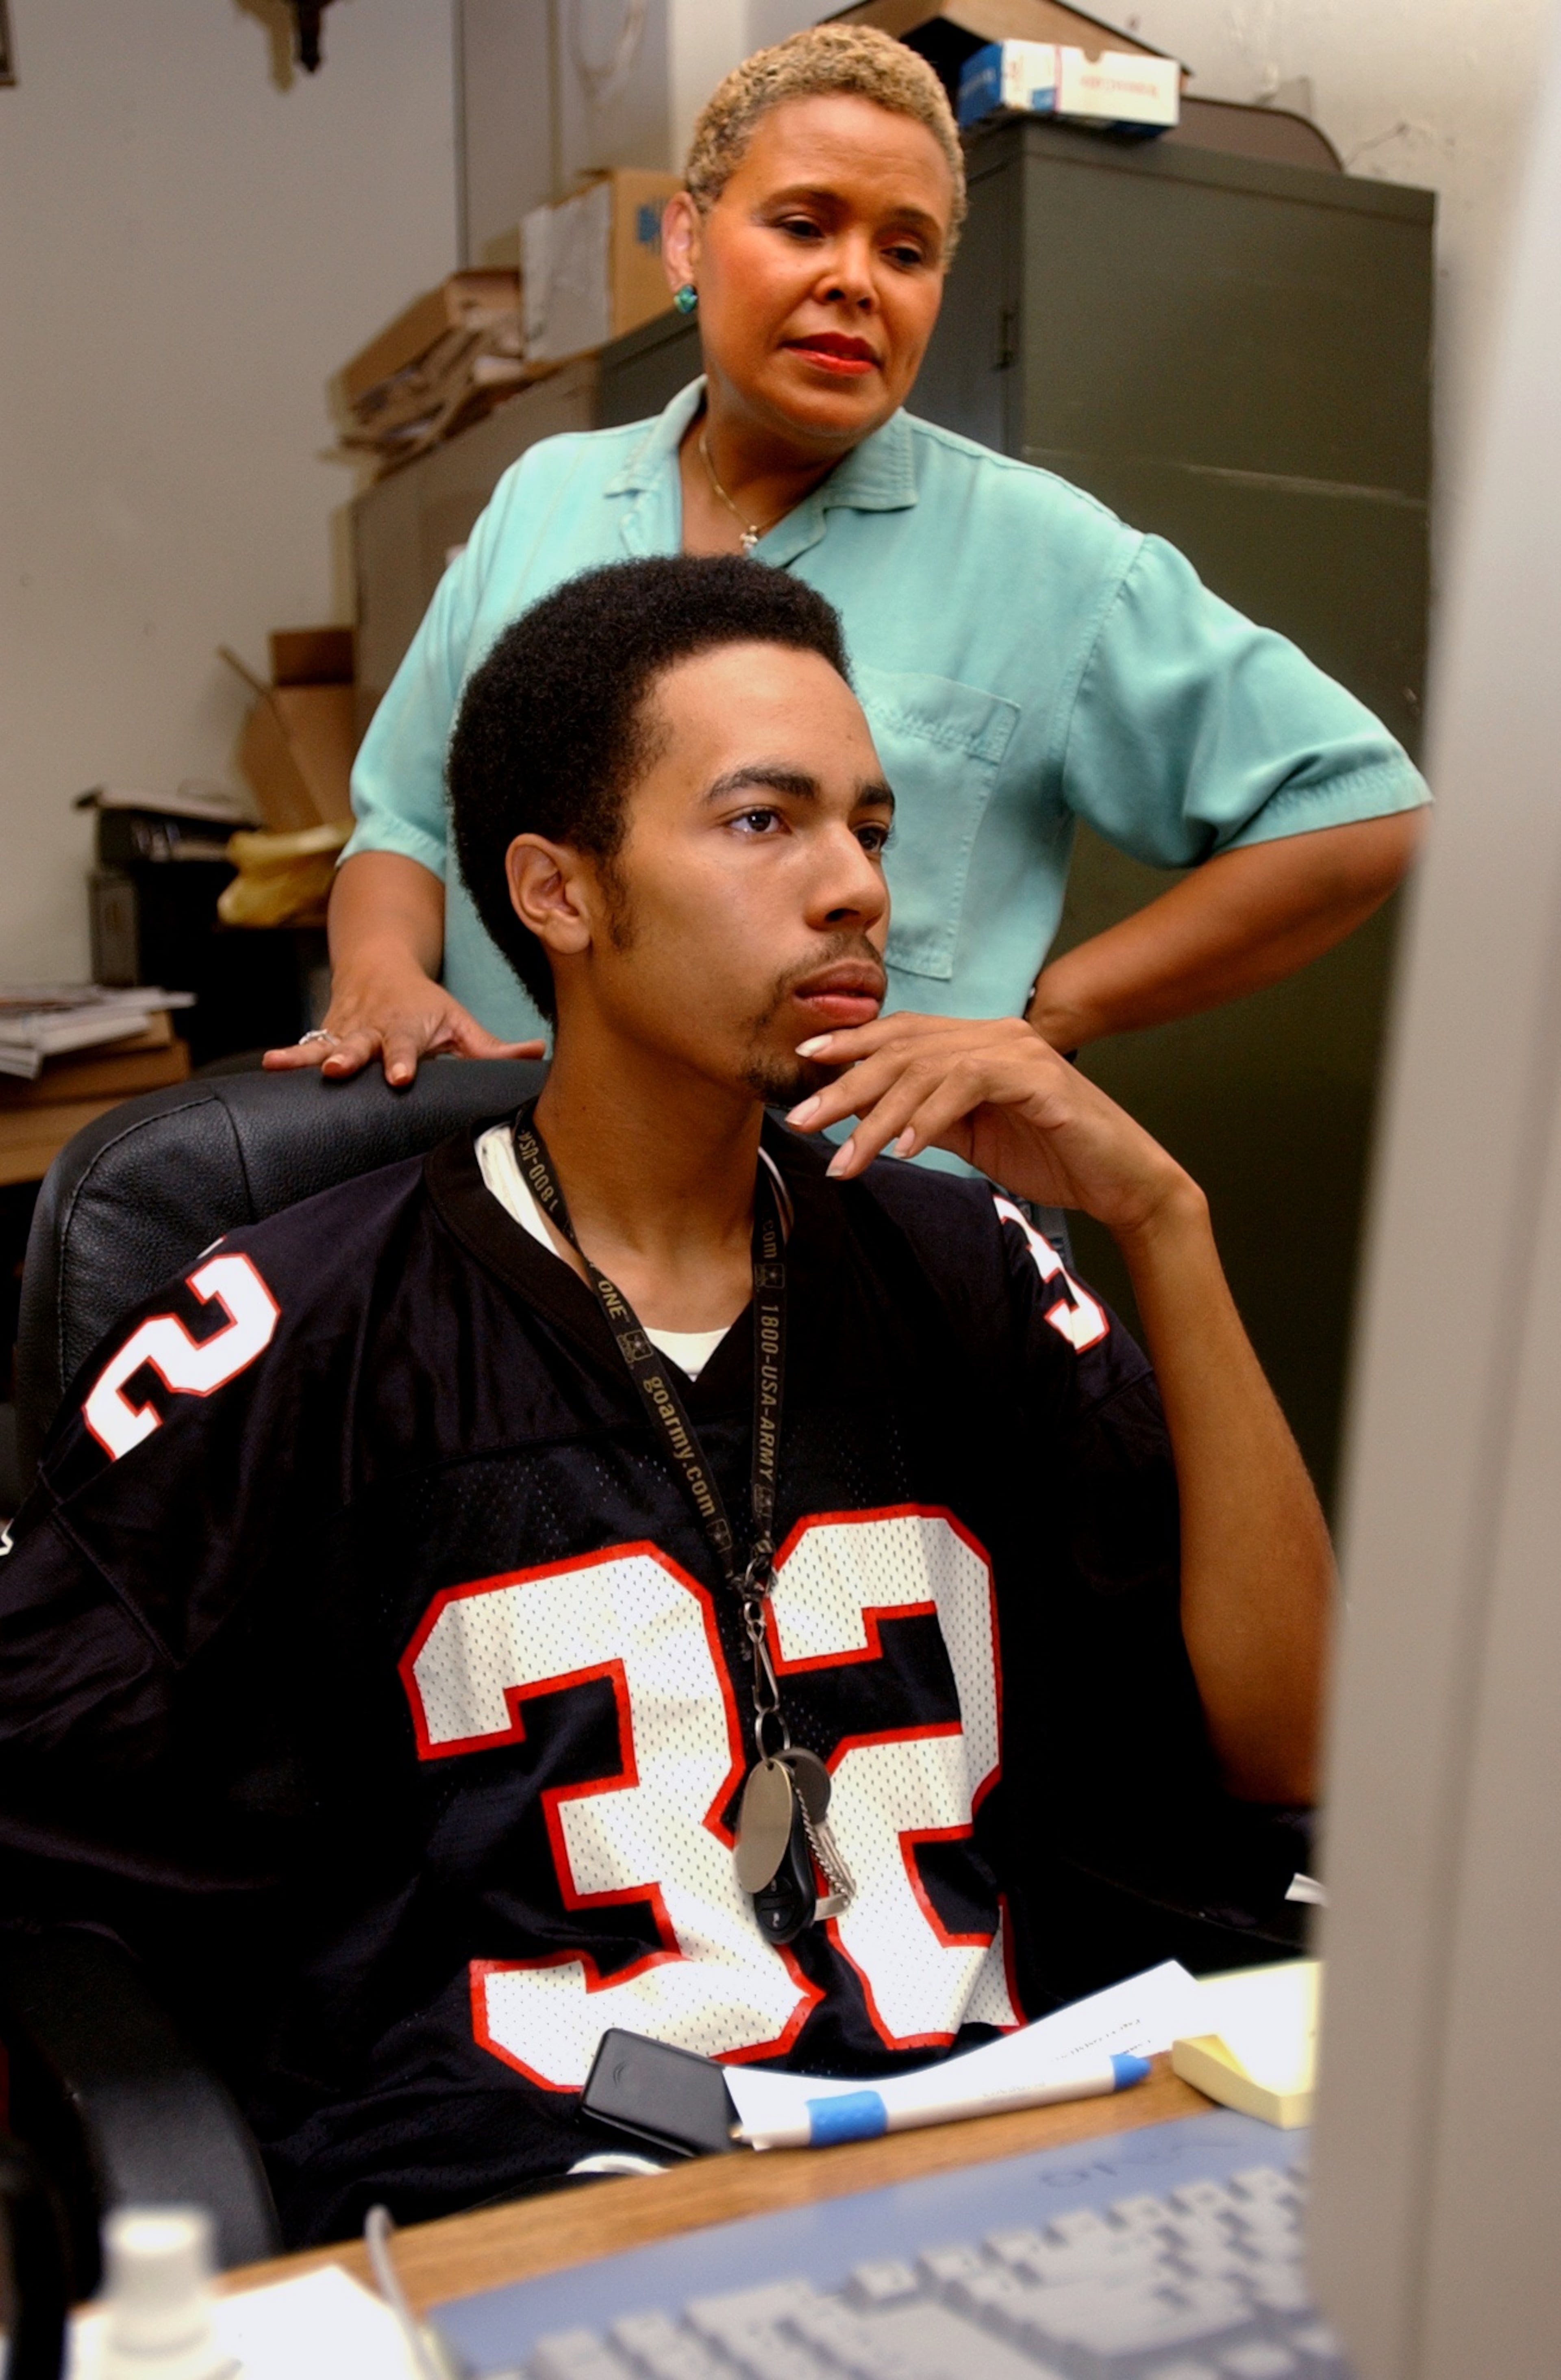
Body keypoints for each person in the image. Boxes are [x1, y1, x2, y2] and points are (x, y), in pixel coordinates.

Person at [0, 558, 1329, 2245]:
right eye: (767, 823)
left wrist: (1165, 1221)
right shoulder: (301, 1324)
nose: (857, 889)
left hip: (1008, 2156)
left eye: (871, 828)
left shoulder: (966, 1264)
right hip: (544, 2204)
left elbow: (1288, 1746)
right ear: (558, 894)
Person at [269, 22, 1427, 1099]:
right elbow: (406, 818)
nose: (854, 280)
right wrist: (378, 974)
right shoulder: (547, 499)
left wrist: (1041, 1018)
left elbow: (1354, 813)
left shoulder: (1046, 557)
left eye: (907, 249)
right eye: (805, 224)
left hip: (862, 1233)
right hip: (519, 1195)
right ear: (687, 240)